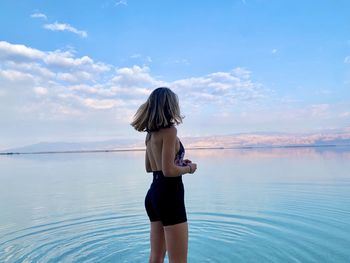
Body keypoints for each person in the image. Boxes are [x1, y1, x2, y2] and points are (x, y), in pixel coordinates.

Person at [131, 87, 197, 263]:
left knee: (156, 257)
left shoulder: (150, 135)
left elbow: (150, 167)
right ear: (171, 106)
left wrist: (179, 164)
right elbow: (168, 171)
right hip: (169, 195)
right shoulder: (170, 131)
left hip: (154, 195)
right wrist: (189, 169)